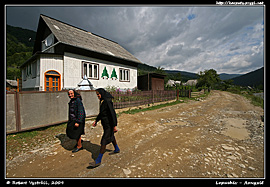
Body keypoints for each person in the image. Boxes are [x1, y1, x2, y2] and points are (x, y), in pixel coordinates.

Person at [89, 88, 120, 167]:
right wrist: (96, 121)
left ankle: (98, 160)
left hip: (109, 125)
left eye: (98, 94)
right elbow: (101, 113)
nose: (98, 96)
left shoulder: (107, 101)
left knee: (104, 140)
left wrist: (114, 126)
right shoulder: (102, 101)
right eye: (97, 95)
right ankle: (116, 149)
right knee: (111, 136)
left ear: (102, 94)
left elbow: (112, 113)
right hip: (105, 124)